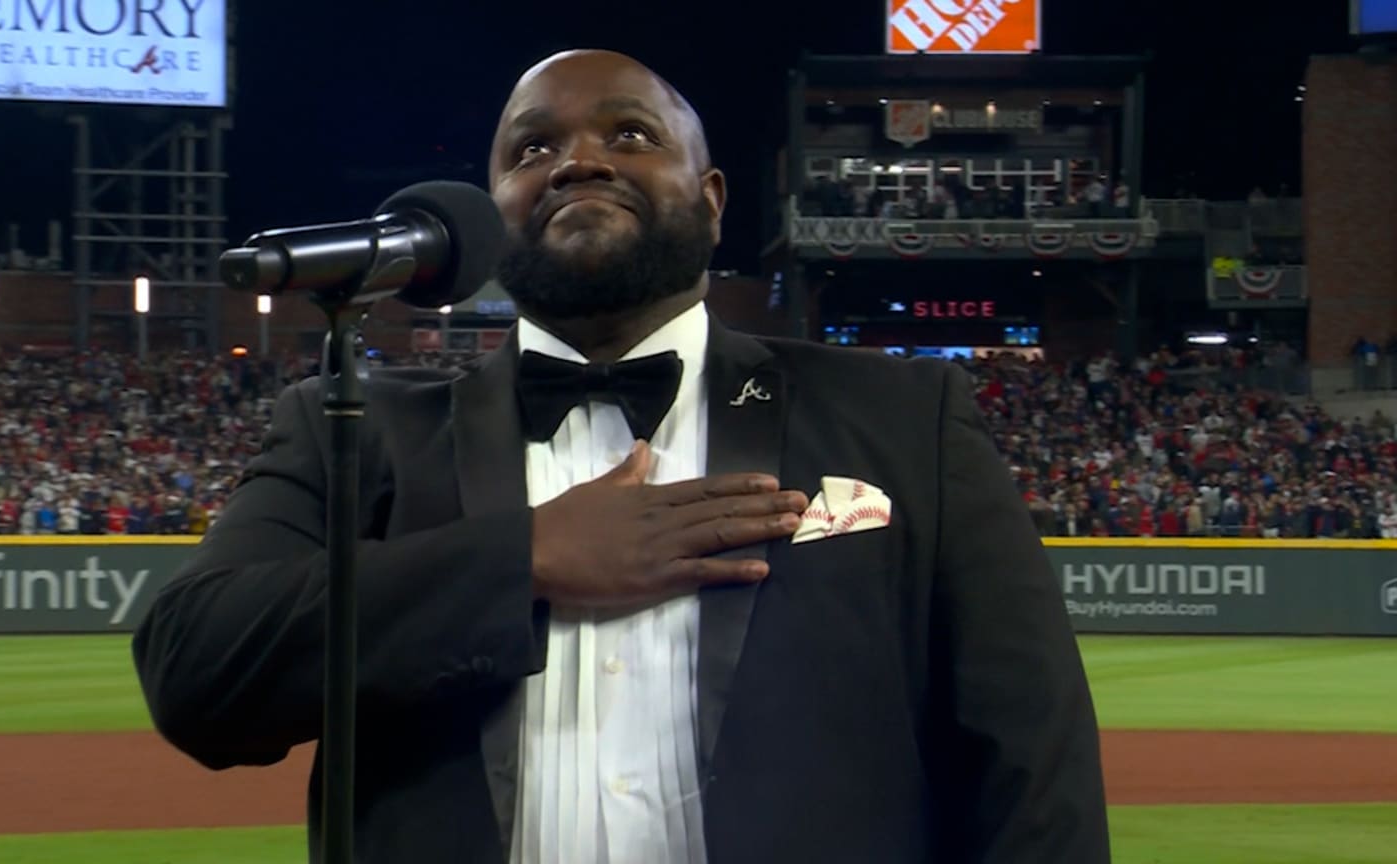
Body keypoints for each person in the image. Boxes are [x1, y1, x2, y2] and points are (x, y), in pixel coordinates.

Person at [131, 49, 1109, 863]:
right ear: (492, 211)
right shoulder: (351, 425)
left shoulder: (904, 418)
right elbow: (196, 673)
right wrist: (526, 561)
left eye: (630, 135)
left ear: (714, 200)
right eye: (533, 149)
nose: (577, 162)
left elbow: (1031, 759)